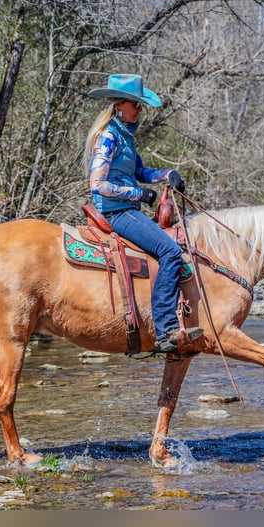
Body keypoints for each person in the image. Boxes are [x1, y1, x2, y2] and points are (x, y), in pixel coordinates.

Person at [84, 73, 202, 354]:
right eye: (136, 105)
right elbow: (97, 184)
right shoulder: (108, 137)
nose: (140, 110)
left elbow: (139, 172)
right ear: (120, 105)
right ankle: (165, 331)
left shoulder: (125, 137)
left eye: (140, 105)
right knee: (171, 252)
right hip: (116, 212)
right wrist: (139, 194)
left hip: (126, 209)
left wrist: (166, 174)